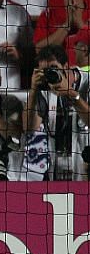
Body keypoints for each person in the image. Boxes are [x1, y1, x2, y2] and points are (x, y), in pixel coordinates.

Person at [22, 44, 90, 181]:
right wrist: (34, 90)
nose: (50, 74)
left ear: (65, 66)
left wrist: (72, 94)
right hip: (56, 171)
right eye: (45, 71)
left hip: (86, 169)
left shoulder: (87, 82)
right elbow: (28, 128)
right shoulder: (44, 90)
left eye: (54, 68)